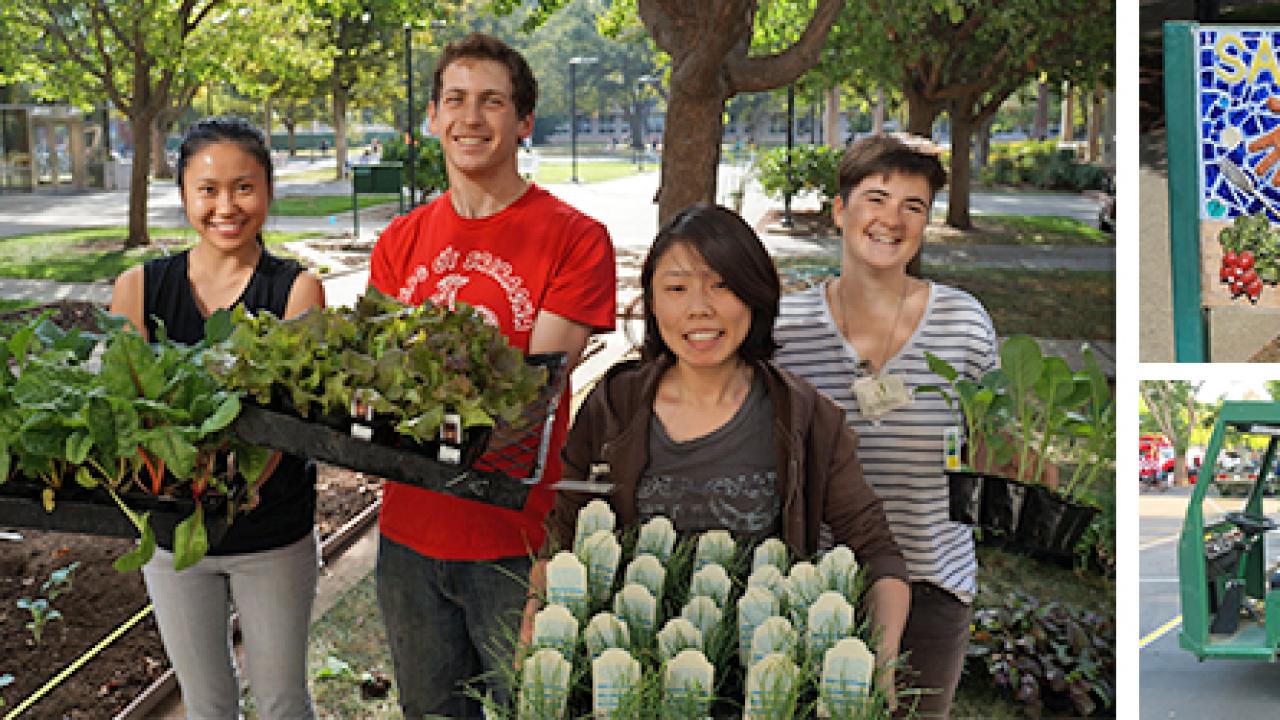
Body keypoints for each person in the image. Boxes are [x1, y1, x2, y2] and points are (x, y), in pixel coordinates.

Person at [528, 203, 911, 699]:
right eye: (677, 288)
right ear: (652, 302)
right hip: (630, 690)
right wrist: (529, 660)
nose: (699, 308)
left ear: (754, 296)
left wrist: (878, 676)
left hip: (761, 691)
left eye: (721, 285)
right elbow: (563, 540)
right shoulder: (613, 408)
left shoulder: (805, 418)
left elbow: (877, 552)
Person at [367, 32, 616, 718]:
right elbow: (382, 383)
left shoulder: (574, 238)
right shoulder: (400, 241)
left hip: (518, 539)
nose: (470, 118)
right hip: (408, 538)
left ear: (524, 121)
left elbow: (527, 391)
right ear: (432, 116)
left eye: (492, 102)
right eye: (455, 99)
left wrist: (416, 370)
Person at [109, 116, 326, 719]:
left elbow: (291, 421)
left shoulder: (296, 291)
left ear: (268, 191)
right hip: (173, 535)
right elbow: (126, 415)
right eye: (207, 189)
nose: (226, 206)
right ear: (183, 194)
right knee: (206, 704)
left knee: (282, 700)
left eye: (243, 187)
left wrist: (222, 476)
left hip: (270, 532)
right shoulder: (139, 287)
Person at [774, 133, 994, 718]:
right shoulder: (785, 328)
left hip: (931, 582)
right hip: (813, 580)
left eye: (913, 206)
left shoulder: (963, 322)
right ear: (841, 210)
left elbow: (992, 445)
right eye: (876, 198)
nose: (891, 219)